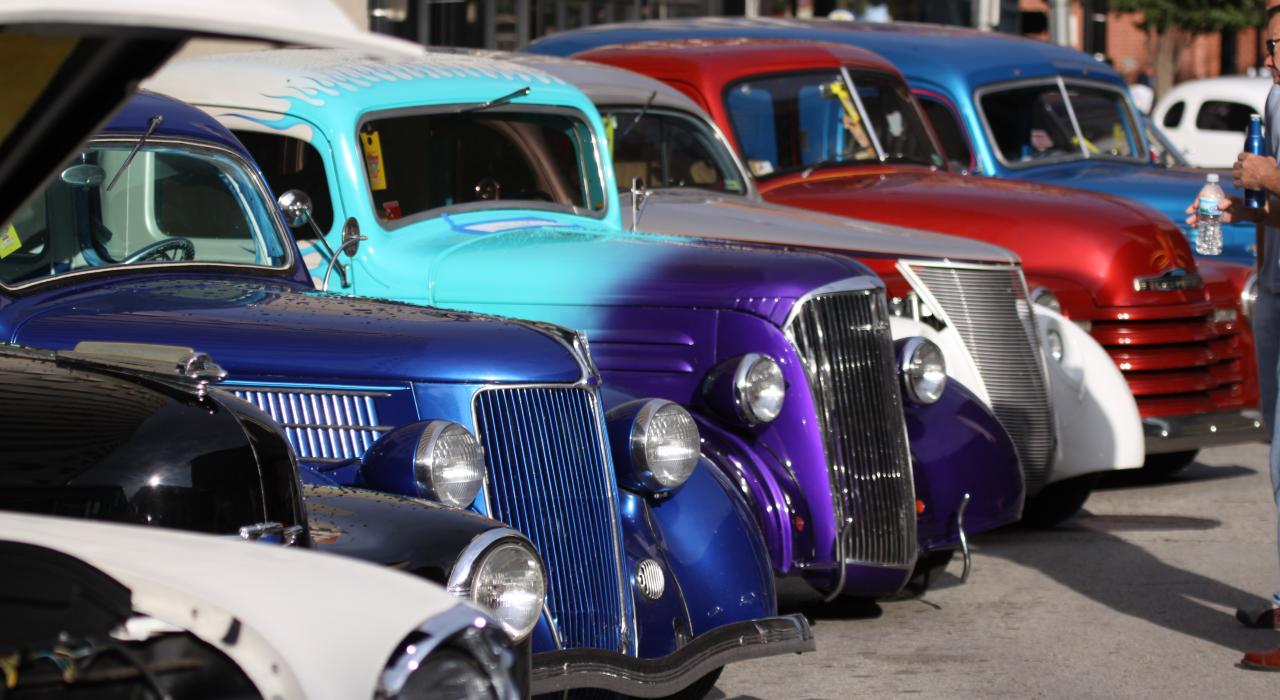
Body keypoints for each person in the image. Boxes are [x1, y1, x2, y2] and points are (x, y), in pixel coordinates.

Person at [1188, 0, 1280, 671]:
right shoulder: (1274, 100)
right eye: (1269, 43)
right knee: (1278, 449)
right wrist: (1237, 206)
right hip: (1275, 284)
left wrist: (1269, 177)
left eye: (1279, 45)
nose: (1269, 58)